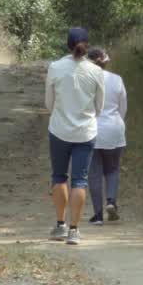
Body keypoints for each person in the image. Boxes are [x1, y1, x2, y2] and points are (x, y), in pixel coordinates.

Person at [44, 27, 105, 245]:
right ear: (87, 45)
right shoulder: (96, 71)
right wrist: (86, 118)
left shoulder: (55, 67)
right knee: (80, 180)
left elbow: (48, 102)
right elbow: (99, 106)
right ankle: (74, 230)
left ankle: (60, 225)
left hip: (59, 130)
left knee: (59, 176)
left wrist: (59, 116)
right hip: (85, 132)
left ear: (68, 45)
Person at [86, 48, 127, 225]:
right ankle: (111, 201)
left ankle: (97, 215)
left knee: (94, 173)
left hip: (91, 130)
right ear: (106, 62)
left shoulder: (84, 81)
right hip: (114, 128)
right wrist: (118, 122)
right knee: (112, 169)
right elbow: (122, 106)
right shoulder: (117, 79)